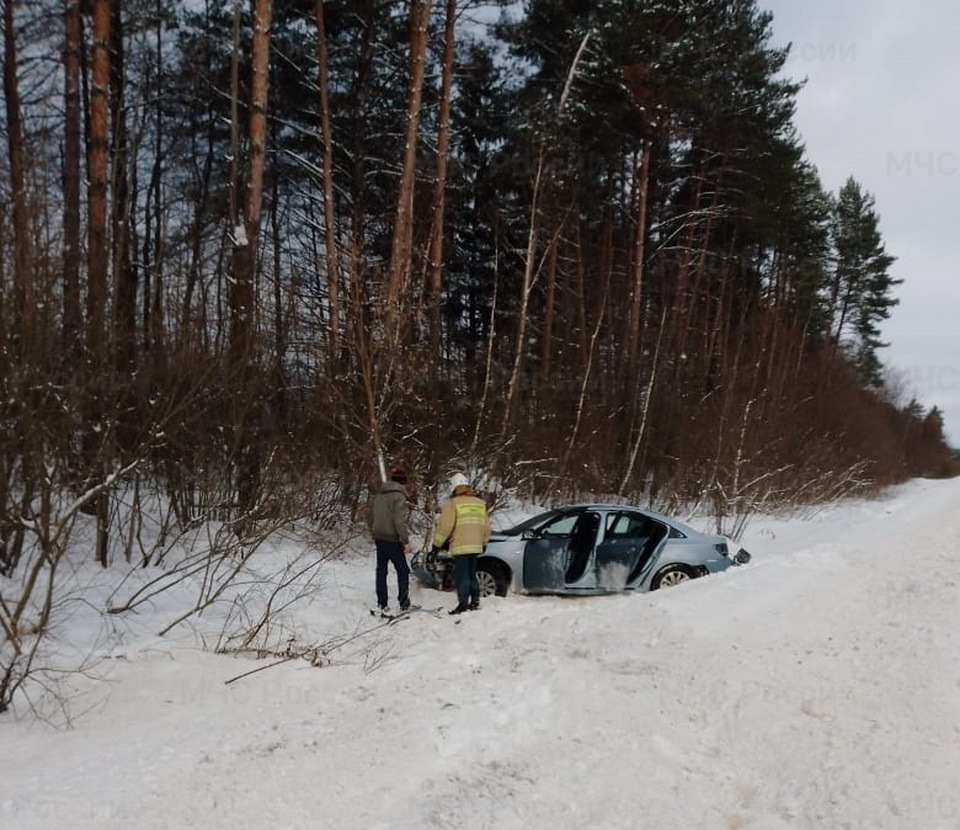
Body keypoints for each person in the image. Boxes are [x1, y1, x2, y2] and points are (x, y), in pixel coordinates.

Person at [432, 472, 491, 615]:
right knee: (472, 574)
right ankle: (475, 601)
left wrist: (437, 544)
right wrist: (483, 542)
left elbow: (445, 527)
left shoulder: (453, 504)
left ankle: (463, 604)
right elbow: (486, 526)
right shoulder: (480, 504)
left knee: (462, 576)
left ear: (454, 488)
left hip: (461, 545)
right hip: (476, 545)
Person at [369, 465, 412, 617]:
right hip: (392, 539)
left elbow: (372, 516)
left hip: (379, 537)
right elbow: (399, 521)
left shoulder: (380, 495)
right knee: (403, 570)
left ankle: (382, 602)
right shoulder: (399, 497)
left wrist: (374, 533)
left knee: (381, 570)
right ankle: (404, 602)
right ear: (403, 483)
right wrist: (405, 541)